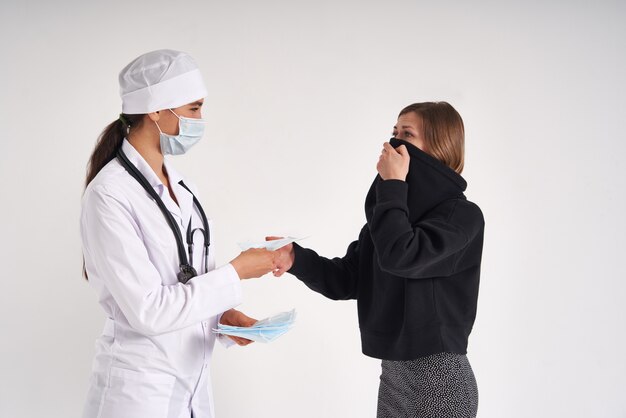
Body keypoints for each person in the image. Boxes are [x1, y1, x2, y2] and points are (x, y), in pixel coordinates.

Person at [80, 49, 276, 418]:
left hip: (192, 387)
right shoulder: (109, 194)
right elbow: (149, 310)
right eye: (194, 108)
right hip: (138, 393)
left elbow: (189, 283)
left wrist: (224, 316)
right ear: (156, 109)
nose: (201, 120)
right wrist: (236, 272)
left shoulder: (185, 189)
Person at [270, 102, 484, 417]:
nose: (391, 144)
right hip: (395, 375)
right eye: (393, 132)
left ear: (438, 147)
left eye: (406, 135)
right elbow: (349, 278)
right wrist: (296, 259)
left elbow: (402, 256)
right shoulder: (389, 216)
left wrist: (394, 186)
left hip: (440, 381)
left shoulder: (460, 216)